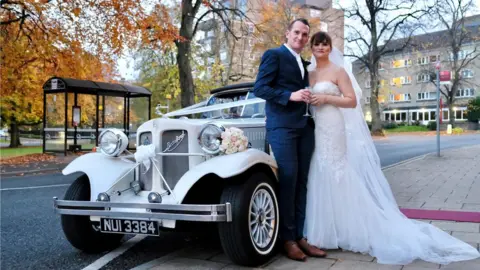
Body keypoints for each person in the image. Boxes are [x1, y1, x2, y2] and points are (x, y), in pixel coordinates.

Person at [303, 31, 480, 265]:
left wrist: (326, 99)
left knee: (337, 171)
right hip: (318, 127)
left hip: (334, 127)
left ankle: (351, 228)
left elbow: (351, 101)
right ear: (312, 47)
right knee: (320, 171)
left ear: (330, 47)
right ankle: (325, 231)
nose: (321, 48)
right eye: (317, 44)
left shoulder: (338, 71)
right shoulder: (308, 73)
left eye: (325, 44)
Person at [253, 18, 327, 261]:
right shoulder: (274, 55)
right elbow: (260, 88)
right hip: (282, 127)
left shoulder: (303, 63)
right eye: (297, 32)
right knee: (288, 180)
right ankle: (287, 240)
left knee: (303, 183)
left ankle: (300, 236)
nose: (301, 37)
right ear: (287, 33)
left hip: (305, 127)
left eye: (305, 34)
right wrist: (290, 95)